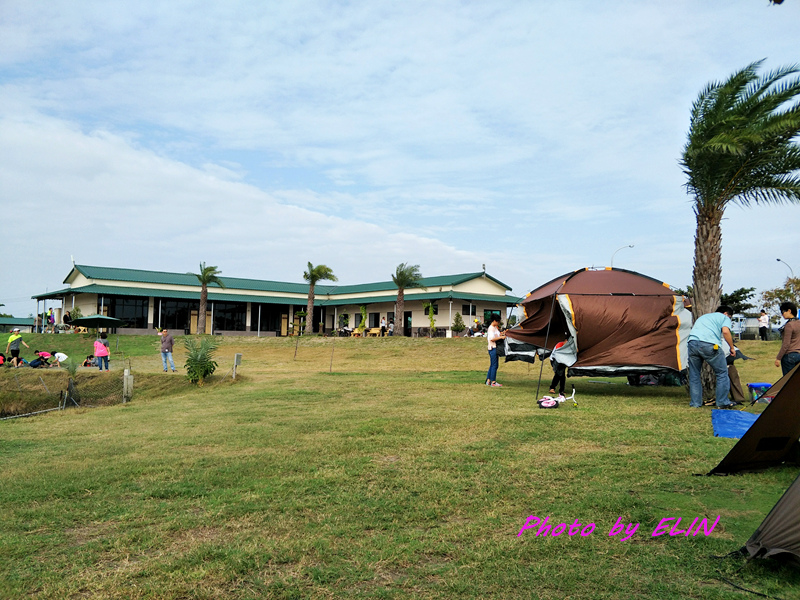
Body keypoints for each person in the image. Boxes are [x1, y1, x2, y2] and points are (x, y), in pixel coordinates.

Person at [687, 305, 737, 408]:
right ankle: (722, 402)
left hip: (692, 343)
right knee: (722, 373)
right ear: (726, 313)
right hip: (709, 345)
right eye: (730, 317)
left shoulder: (704, 317)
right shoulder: (724, 317)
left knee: (694, 374)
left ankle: (695, 403)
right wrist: (732, 347)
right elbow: (726, 331)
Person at [775, 301, 800, 376]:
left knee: (788, 381)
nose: (782, 314)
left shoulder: (789, 325)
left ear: (789, 311)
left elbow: (786, 344)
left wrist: (778, 358)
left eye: (783, 312)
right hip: (799, 355)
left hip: (789, 356)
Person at [485, 316, 506, 387]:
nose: (498, 323)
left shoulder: (495, 328)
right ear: (494, 321)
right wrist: (501, 337)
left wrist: (502, 333)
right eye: (498, 321)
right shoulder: (491, 329)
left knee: (492, 365)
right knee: (494, 365)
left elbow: (497, 335)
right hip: (492, 348)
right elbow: (492, 339)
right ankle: (493, 382)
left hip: (494, 348)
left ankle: (488, 380)